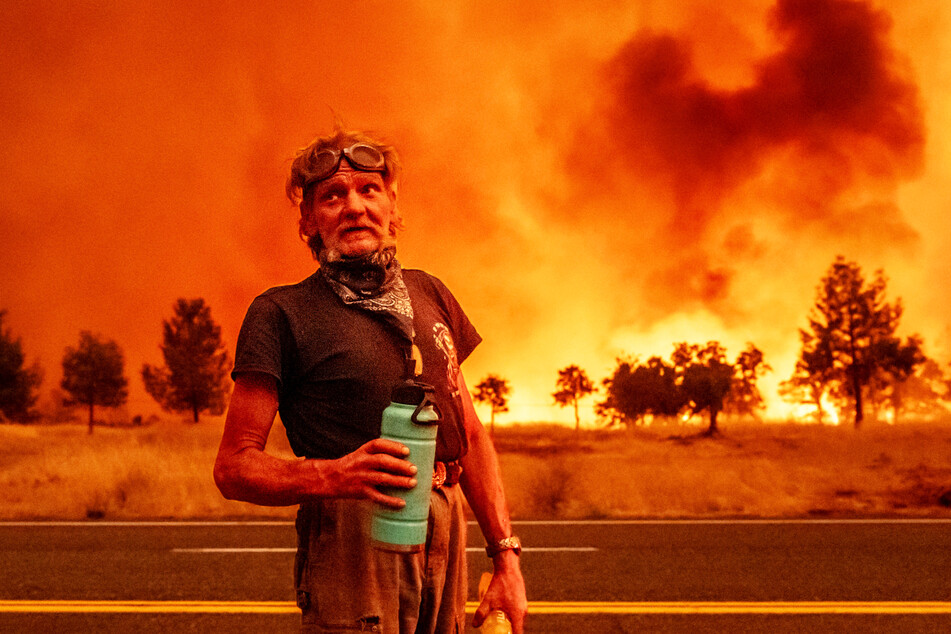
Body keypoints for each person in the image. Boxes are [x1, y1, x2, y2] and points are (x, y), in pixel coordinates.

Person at [214, 127, 527, 633]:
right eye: (333, 196)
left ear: (392, 208)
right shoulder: (281, 313)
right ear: (308, 222)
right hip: (350, 536)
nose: (354, 206)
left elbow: (468, 435)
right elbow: (233, 467)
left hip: (446, 525)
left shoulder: (431, 293)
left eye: (368, 189)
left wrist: (506, 559)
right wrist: (333, 476)